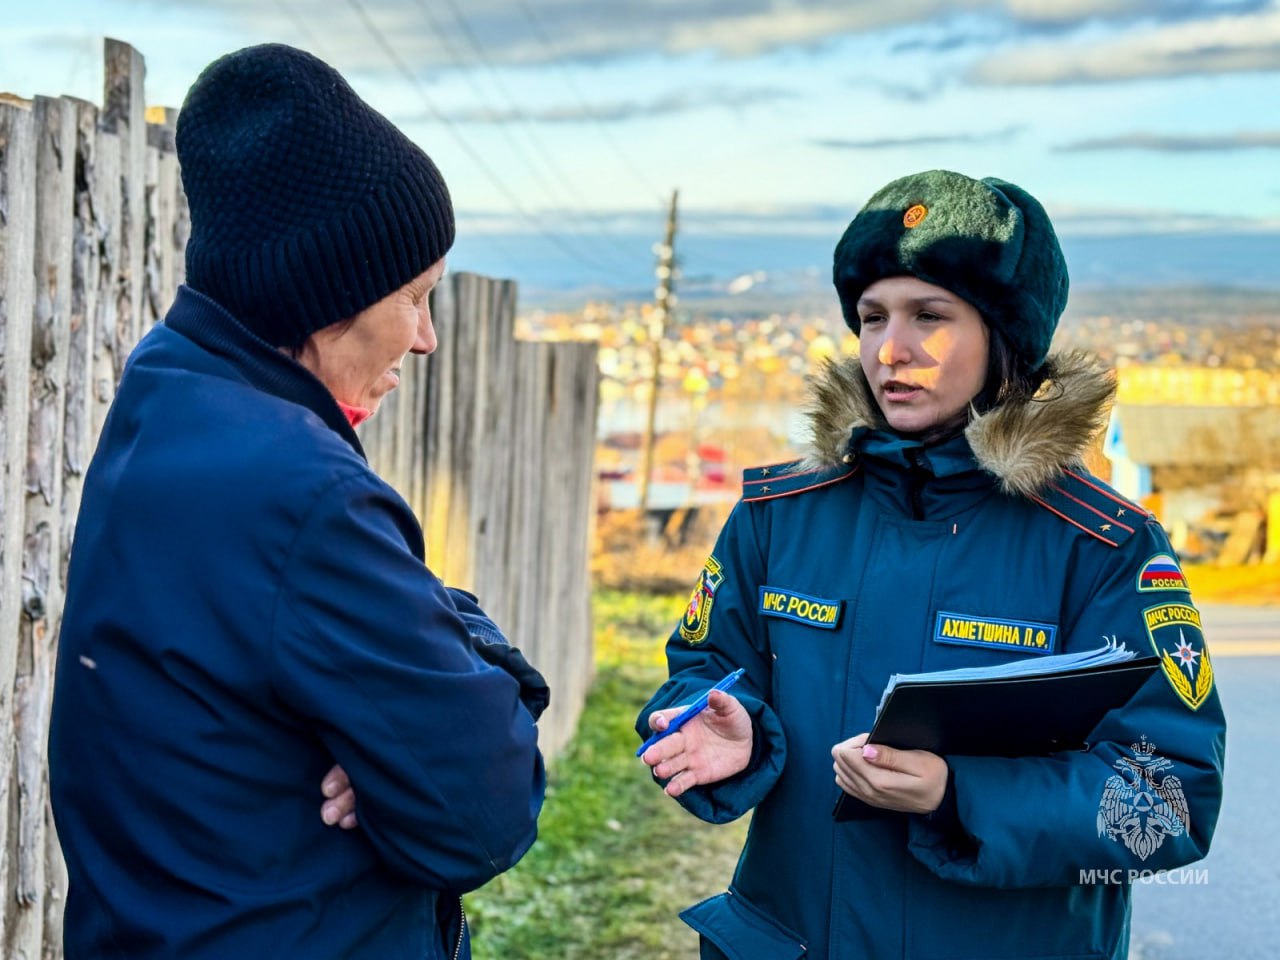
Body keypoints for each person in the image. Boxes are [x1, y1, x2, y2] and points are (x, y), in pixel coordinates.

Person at [637, 169, 1225, 959]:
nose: (891, 348)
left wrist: (961, 796)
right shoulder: (780, 516)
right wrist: (724, 728)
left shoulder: (1103, 547)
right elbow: (703, 670)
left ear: (1005, 339)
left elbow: (1171, 804)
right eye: (872, 316)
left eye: (930, 316)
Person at [48, 44, 547, 960]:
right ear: (327, 297)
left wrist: (403, 729)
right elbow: (483, 811)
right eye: (415, 296)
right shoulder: (304, 494)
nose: (427, 339)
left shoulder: (164, 393)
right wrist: (484, 669)